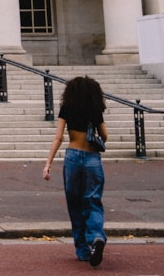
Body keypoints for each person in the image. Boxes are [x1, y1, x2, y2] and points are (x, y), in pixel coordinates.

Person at [43, 75, 109, 267]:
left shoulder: (67, 109)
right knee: (93, 200)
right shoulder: (95, 110)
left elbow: (59, 138)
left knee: (74, 204)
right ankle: (96, 237)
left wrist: (48, 164)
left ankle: (82, 250)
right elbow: (104, 136)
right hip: (92, 159)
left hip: (72, 157)